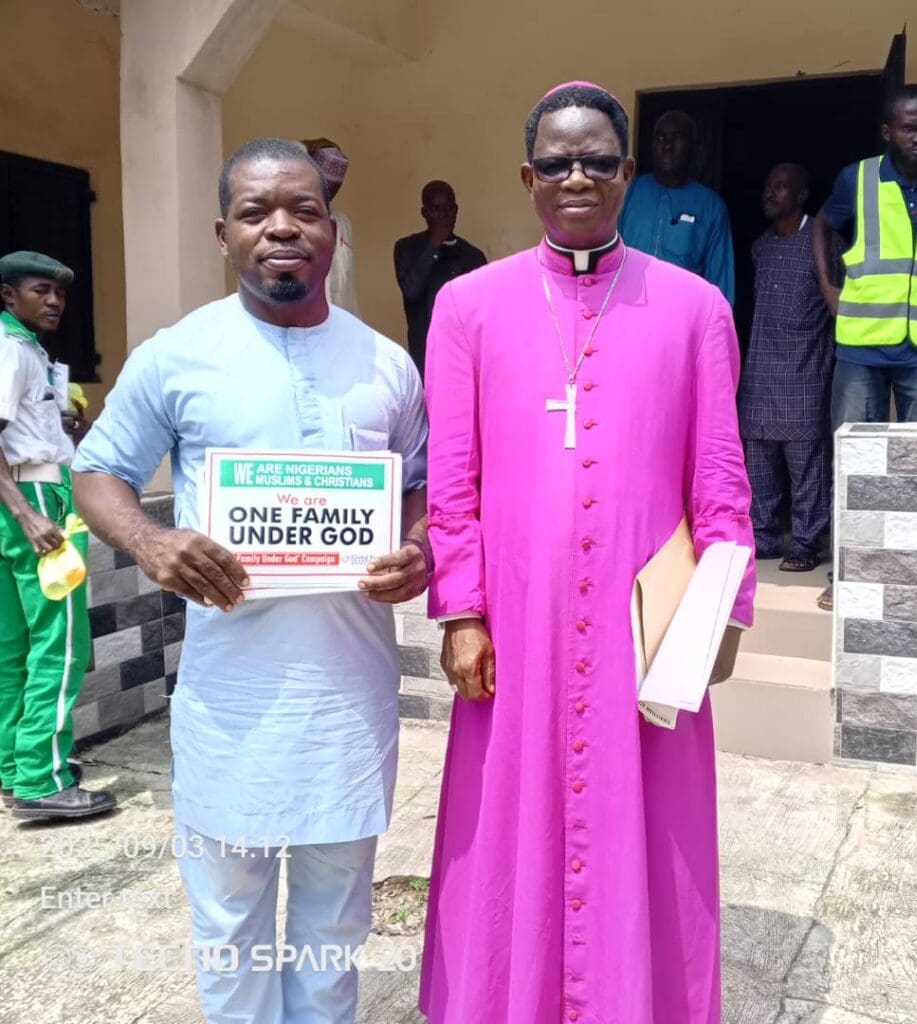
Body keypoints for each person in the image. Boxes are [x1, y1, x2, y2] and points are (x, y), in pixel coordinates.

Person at [419, 82, 755, 1023]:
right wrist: (463, 610)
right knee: (508, 826)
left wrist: (724, 605)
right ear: (528, 177)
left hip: (645, 622)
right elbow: (454, 477)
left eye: (599, 160)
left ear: (628, 175)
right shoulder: (467, 306)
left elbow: (720, 475)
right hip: (516, 625)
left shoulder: (693, 308)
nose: (578, 176)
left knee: (651, 827)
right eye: (558, 162)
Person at [73, 138, 429, 1024]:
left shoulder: (386, 363)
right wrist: (152, 544)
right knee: (230, 933)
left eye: (303, 211)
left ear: (333, 231)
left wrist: (418, 550)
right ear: (222, 233)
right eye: (255, 212)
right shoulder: (177, 354)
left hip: (347, 708)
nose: (282, 229)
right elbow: (96, 472)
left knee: (332, 931)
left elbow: (419, 483)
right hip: (230, 709)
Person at [813, 82, 917, 608]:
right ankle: (847, 576)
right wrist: (827, 287)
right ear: (888, 132)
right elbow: (822, 226)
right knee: (856, 462)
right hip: (862, 345)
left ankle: (907, 574)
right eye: (910, 127)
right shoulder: (855, 179)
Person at [0, 251, 114, 821]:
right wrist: (27, 514)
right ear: (8, 296)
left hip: (19, 496)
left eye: (60, 294)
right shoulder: (11, 349)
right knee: (60, 644)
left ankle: (15, 769)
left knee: (14, 647)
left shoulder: (27, 351)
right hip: (32, 501)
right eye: (40, 290)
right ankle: (43, 781)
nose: (53, 302)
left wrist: (67, 428)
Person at [740, 164, 834, 572]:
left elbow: (838, 309)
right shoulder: (760, 247)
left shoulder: (823, 242)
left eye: (779, 187)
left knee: (806, 468)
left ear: (801, 195)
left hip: (803, 374)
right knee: (758, 463)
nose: (770, 193)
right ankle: (765, 536)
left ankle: (807, 542)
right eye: (767, 186)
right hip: (760, 375)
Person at [619, 109, 735, 304]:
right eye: (660, 138)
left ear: (693, 146)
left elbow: (720, 284)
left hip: (682, 319)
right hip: (627, 313)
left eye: (677, 138)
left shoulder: (711, 207)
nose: (667, 146)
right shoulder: (628, 192)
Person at [393, 180, 486, 377]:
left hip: (464, 355)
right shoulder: (406, 248)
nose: (443, 215)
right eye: (436, 209)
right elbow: (411, 290)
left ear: (456, 210)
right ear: (424, 213)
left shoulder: (473, 256)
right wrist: (434, 244)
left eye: (448, 208)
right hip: (424, 356)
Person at [303, 136, 360, 315]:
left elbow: (347, 287)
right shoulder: (291, 224)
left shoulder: (342, 223)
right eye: (326, 184)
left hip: (343, 325)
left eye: (336, 186)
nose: (330, 192)